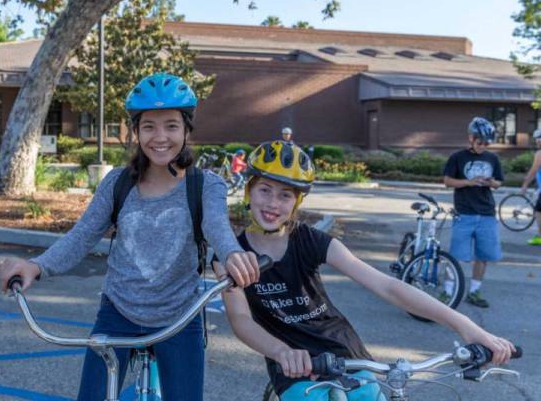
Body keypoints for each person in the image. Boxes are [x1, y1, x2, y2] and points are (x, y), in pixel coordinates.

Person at [0, 73, 259, 401]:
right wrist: (36, 266)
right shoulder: (118, 184)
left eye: (171, 125)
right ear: (135, 131)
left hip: (180, 316)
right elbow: (81, 236)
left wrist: (233, 254)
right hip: (118, 311)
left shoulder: (205, 185)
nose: (160, 137)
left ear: (186, 130)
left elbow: (218, 229)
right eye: (148, 126)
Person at [213, 139, 516, 400]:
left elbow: (386, 286)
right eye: (265, 190)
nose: (273, 203)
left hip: (347, 355)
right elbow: (241, 319)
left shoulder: (311, 241)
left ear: (296, 202)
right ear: (248, 191)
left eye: (285, 195)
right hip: (292, 363)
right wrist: (281, 352)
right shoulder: (232, 253)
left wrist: (468, 328)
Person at [443, 117, 504, 308]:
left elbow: (499, 182)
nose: (483, 146)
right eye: (480, 142)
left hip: (486, 213)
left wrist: (491, 183)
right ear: (470, 138)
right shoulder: (458, 157)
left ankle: (474, 292)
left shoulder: (493, 158)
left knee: (483, 255)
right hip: (465, 213)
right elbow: (447, 181)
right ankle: (447, 292)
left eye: (487, 143)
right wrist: (469, 182)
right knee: (456, 255)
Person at [520, 128, 541, 246]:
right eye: (537, 139)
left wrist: (525, 185)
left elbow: (533, 171)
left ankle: (539, 236)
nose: (537, 141)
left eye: (539, 139)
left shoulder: (539, 154)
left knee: (538, 211)